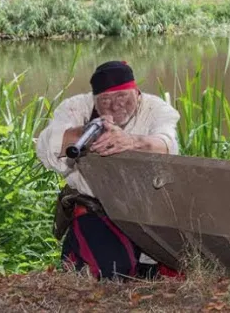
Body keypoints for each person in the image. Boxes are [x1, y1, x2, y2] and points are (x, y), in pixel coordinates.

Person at [35, 60, 181, 279]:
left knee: (168, 268)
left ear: (136, 92)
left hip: (147, 209)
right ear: (94, 99)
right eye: (105, 99)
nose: (115, 106)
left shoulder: (156, 108)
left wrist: (132, 141)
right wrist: (84, 132)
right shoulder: (76, 107)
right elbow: (46, 146)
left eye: (122, 96)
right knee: (113, 271)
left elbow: (166, 143)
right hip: (96, 208)